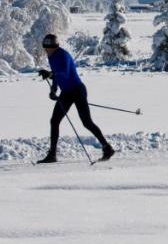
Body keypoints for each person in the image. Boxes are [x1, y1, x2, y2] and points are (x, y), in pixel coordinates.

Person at [36, 33, 117, 163]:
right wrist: (54, 88)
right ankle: (52, 155)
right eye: (45, 47)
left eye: (47, 48)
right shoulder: (51, 57)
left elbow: (64, 72)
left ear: (54, 47)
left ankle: (107, 148)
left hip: (77, 91)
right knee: (54, 121)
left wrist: (50, 74)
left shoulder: (63, 55)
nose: (46, 50)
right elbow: (57, 75)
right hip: (66, 93)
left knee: (86, 123)